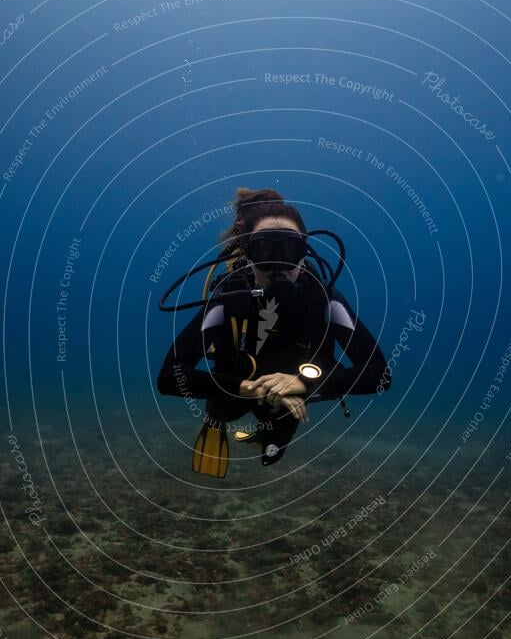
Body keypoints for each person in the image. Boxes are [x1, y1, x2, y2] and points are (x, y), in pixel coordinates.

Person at [157, 187, 390, 477]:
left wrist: (305, 383)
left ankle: (262, 435)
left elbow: (379, 373)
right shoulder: (230, 297)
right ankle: (216, 423)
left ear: (305, 252)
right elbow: (169, 377)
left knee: (272, 451)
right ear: (247, 253)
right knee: (222, 411)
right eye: (264, 249)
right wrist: (244, 387)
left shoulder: (322, 298)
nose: (278, 264)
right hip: (236, 386)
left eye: (290, 249)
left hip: (293, 388)